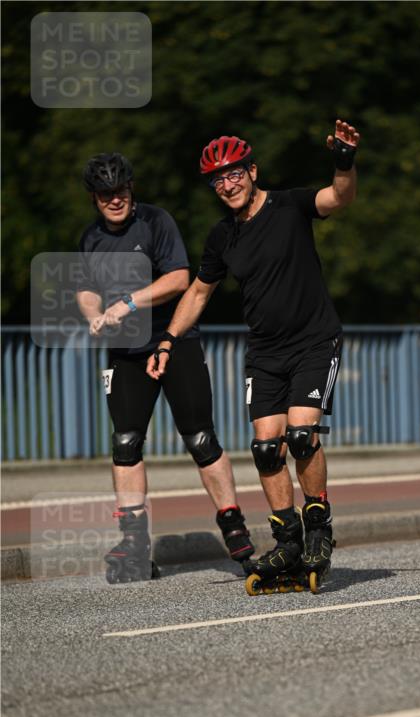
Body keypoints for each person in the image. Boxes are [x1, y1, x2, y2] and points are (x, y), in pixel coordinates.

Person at [147, 121, 360, 590]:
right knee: (266, 448)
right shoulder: (222, 237)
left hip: (313, 340)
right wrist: (167, 338)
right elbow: (199, 293)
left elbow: (338, 197)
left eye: (234, 173)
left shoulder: (289, 206)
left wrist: (344, 161)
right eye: (218, 179)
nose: (228, 184)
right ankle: (287, 537)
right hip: (264, 352)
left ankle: (318, 525)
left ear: (252, 171)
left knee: (301, 435)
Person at [76, 152, 254, 582]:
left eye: (120, 191)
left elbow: (179, 278)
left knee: (199, 436)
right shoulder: (91, 238)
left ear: (130, 189)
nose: (114, 200)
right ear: (95, 198)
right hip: (126, 353)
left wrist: (130, 302)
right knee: (125, 442)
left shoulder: (156, 222)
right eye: (105, 194)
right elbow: (85, 289)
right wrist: (95, 315)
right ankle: (134, 543)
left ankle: (234, 527)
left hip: (173, 342)